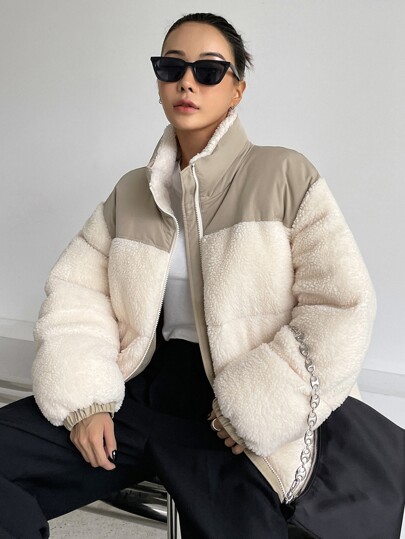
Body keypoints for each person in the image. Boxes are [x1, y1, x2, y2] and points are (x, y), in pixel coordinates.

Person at [0, 12, 376, 539]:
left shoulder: (286, 175)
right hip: (142, 390)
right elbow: (78, 293)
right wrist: (87, 400)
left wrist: (259, 407)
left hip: (236, 412)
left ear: (237, 88)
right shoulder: (132, 191)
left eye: (208, 70)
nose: (187, 82)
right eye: (171, 67)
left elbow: (341, 304)